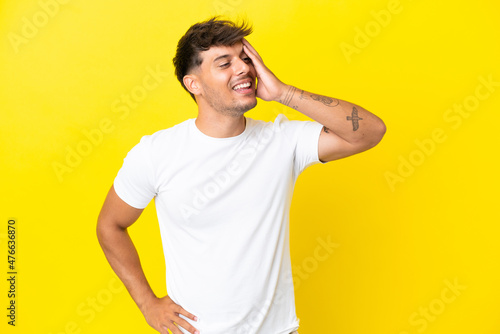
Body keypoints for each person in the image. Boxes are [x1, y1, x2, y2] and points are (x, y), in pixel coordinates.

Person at [96, 17, 386, 334]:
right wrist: (148, 303)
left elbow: (369, 132)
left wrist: (284, 93)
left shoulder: (283, 140)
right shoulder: (156, 153)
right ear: (193, 84)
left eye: (245, 58)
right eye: (225, 63)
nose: (243, 69)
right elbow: (110, 225)